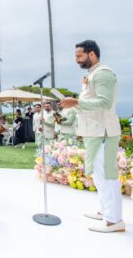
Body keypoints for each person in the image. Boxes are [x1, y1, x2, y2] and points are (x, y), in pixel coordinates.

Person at [60, 39, 124, 233]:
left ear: (91, 54)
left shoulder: (103, 74)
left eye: (79, 56)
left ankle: (114, 221)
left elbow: (104, 103)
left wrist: (76, 102)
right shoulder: (93, 74)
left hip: (104, 132)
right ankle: (105, 211)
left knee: (108, 175)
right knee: (98, 174)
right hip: (93, 131)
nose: (76, 60)